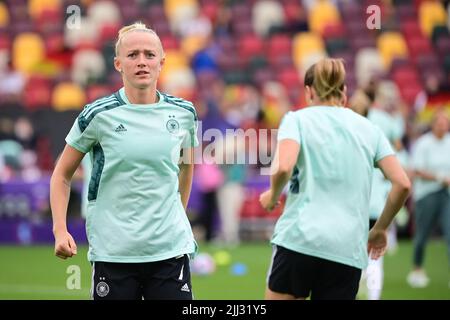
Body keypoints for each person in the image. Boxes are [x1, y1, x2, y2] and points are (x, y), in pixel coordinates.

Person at [50, 22, 199, 300]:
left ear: (162, 62)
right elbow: (61, 175)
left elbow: (187, 167)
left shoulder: (185, 113)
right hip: (113, 253)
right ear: (118, 63)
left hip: (170, 251)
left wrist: (178, 216)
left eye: (149, 54)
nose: (141, 62)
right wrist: (60, 230)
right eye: (132, 55)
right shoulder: (97, 115)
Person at [259, 58, 411, 300]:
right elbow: (402, 184)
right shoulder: (370, 129)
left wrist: (272, 196)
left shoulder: (296, 120)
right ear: (344, 91)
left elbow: (282, 168)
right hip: (347, 248)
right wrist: (380, 229)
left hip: (299, 239)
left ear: (309, 92)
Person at [349, 88, 404, 300]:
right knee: (375, 258)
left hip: (354, 206)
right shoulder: (377, 134)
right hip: (376, 205)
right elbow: (400, 178)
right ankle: (373, 297)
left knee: (352, 256)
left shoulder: (347, 135)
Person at [407, 111, 450, 288]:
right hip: (427, 194)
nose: (442, 127)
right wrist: (440, 177)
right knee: (422, 234)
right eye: (439, 123)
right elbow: (416, 170)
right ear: (433, 125)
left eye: (445, 123)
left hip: (446, 194)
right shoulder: (423, 143)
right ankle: (417, 269)